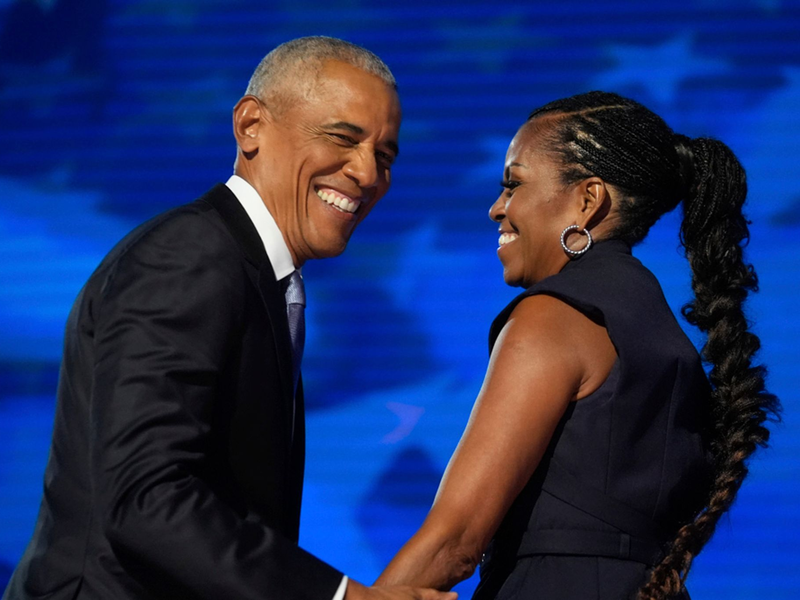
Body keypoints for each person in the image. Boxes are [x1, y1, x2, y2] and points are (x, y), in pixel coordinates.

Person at [3, 36, 455, 600]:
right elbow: (146, 497)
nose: (367, 173)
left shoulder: (251, 272)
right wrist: (342, 598)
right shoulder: (191, 255)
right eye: (343, 137)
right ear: (250, 127)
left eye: (384, 156)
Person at [375, 91, 779, 599]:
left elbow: (455, 541)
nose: (496, 208)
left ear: (587, 200)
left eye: (513, 184)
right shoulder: (661, 332)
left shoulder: (553, 317)